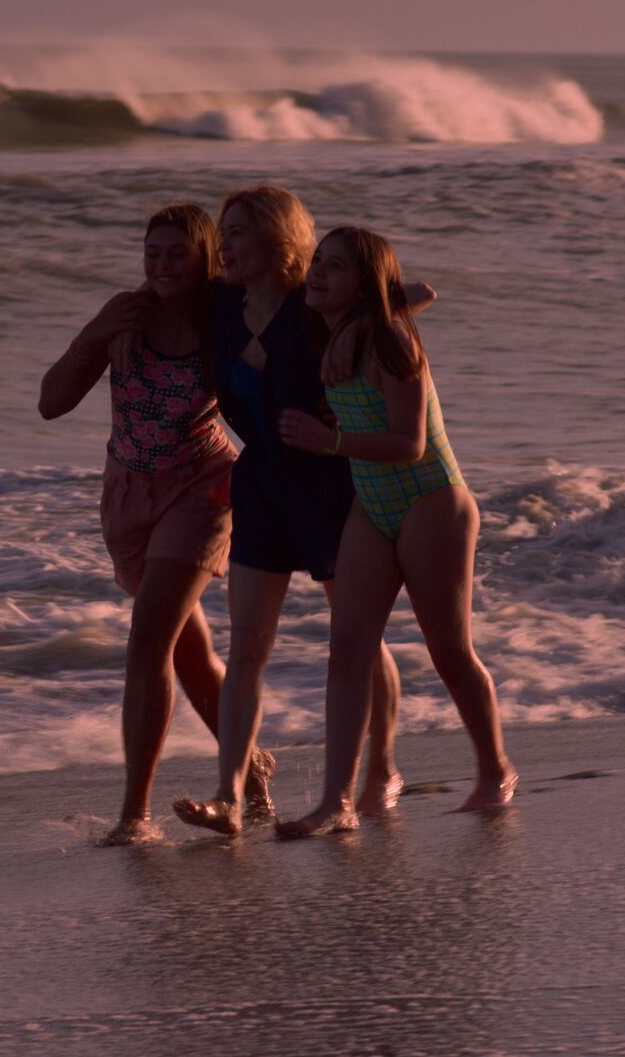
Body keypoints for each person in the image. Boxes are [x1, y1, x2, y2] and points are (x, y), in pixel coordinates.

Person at [172, 187, 437, 837]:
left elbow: (412, 294)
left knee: (357, 638)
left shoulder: (312, 307)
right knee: (247, 646)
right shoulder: (222, 303)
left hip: (331, 489)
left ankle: (382, 767)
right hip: (260, 488)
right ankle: (230, 797)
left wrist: (371, 319)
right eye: (224, 232)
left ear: (279, 241)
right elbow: (158, 300)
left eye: (239, 232)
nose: (225, 245)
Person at [38, 203, 274, 846]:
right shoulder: (126, 315)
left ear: (205, 259)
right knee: (188, 653)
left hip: (202, 490)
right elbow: (51, 403)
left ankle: (134, 816)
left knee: (148, 642)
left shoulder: (224, 316)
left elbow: (293, 345)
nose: (162, 265)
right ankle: (251, 768)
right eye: (152, 253)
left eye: (177, 254)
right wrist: (94, 333)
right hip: (127, 496)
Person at [274, 227, 517, 838]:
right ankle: (337, 802)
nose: (317, 273)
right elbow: (417, 290)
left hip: (432, 500)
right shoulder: (334, 329)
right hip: (373, 505)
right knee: (348, 648)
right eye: (317, 261)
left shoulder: (391, 342)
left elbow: (409, 443)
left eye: (335, 266)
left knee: (449, 652)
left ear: (365, 286)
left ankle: (495, 771)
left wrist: (330, 439)